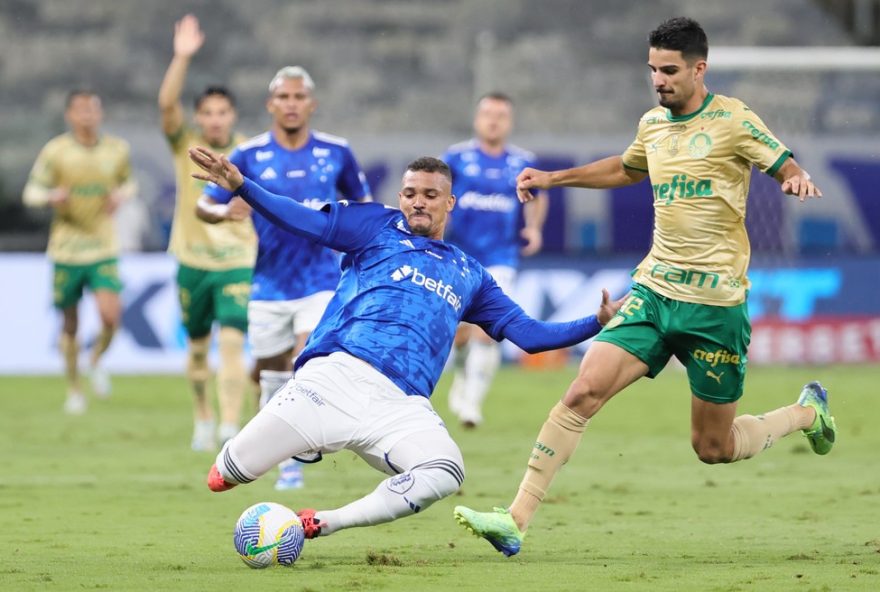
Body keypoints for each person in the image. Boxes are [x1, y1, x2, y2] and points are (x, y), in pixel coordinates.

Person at [453, 16, 837, 557]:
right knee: (581, 393)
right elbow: (628, 168)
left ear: (699, 68)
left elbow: (782, 160)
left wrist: (792, 177)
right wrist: (553, 180)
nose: (659, 79)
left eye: (670, 70)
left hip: (714, 307)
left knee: (713, 447)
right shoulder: (653, 124)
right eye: (653, 69)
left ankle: (805, 413)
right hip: (652, 291)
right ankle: (514, 519)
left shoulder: (733, 118)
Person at [189, 149, 622, 540]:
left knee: (446, 471)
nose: (419, 201)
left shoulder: (470, 273)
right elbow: (304, 220)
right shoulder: (374, 226)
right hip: (334, 379)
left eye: (431, 195)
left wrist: (596, 322)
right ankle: (300, 439)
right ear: (400, 197)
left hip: (401, 406)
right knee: (223, 475)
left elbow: (528, 335)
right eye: (411, 193)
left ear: (449, 203)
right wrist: (242, 186)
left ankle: (324, 521)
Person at [196, 65, 372, 489]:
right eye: (283, 97)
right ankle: (283, 459)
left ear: (311, 104)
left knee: (304, 364)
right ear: (270, 105)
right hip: (269, 283)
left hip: (321, 279)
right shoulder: (249, 155)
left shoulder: (337, 151)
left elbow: (362, 205)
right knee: (272, 373)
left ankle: (296, 452)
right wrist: (224, 211)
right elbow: (205, 205)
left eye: (299, 97)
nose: (291, 104)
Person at [158, 14, 256, 451]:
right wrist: (181, 57)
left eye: (223, 112)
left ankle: (229, 426)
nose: (216, 120)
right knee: (198, 352)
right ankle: (202, 414)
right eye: (208, 113)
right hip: (192, 261)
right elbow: (165, 106)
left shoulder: (251, 150)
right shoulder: (187, 144)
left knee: (233, 344)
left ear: (233, 115)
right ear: (199, 117)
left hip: (237, 260)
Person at [23, 90, 135, 415]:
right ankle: (74, 389)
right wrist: (50, 197)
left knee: (111, 317)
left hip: (103, 247)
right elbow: (31, 191)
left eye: (92, 109)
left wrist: (121, 195)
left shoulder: (117, 149)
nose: (87, 115)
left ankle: (96, 358)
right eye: (80, 110)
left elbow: (130, 183)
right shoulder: (56, 151)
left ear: (100, 114)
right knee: (70, 324)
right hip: (67, 250)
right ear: (70, 115)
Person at [443, 91, 549, 428]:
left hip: (501, 257)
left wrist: (533, 228)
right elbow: (439, 197)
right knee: (459, 332)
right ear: (477, 119)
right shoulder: (457, 159)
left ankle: (472, 403)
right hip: (459, 254)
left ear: (509, 121)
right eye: (488, 113)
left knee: (487, 329)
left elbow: (537, 197)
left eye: (501, 115)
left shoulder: (521, 162)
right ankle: (461, 376)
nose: (493, 120)